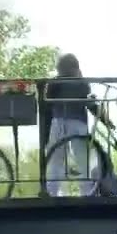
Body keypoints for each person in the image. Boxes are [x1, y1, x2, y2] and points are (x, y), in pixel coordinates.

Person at [43, 53, 101, 196]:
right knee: (82, 159)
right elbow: (89, 104)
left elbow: (46, 106)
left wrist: (44, 134)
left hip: (58, 121)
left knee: (56, 159)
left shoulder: (54, 83)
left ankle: (52, 192)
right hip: (78, 122)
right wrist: (105, 120)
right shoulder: (81, 83)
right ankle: (86, 192)